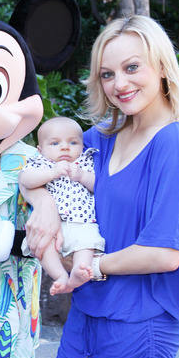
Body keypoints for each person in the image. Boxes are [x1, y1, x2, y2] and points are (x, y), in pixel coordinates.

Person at [23, 16, 179, 358]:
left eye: (132, 67)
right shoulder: (98, 139)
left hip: (142, 320)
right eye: (107, 73)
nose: (119, 84)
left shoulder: (176, 141)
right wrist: (46, 206)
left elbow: (164, 254)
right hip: (86, 313)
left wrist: (92, 266)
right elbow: (34, 170)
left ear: (161, 67)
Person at [19, 116, 104, 295]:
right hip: (50, 225)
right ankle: (59, 276)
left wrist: (82, 176)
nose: (65, 147)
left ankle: (77, 272)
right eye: (55, 143)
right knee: (43, 247)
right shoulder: (41, 163)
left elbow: (100, 187)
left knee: (87, 243)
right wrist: (51, 173)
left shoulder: (85, 163)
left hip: (82, 221)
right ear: (40, 149)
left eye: (73, 142)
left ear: (82, 146)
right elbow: (26, 179)